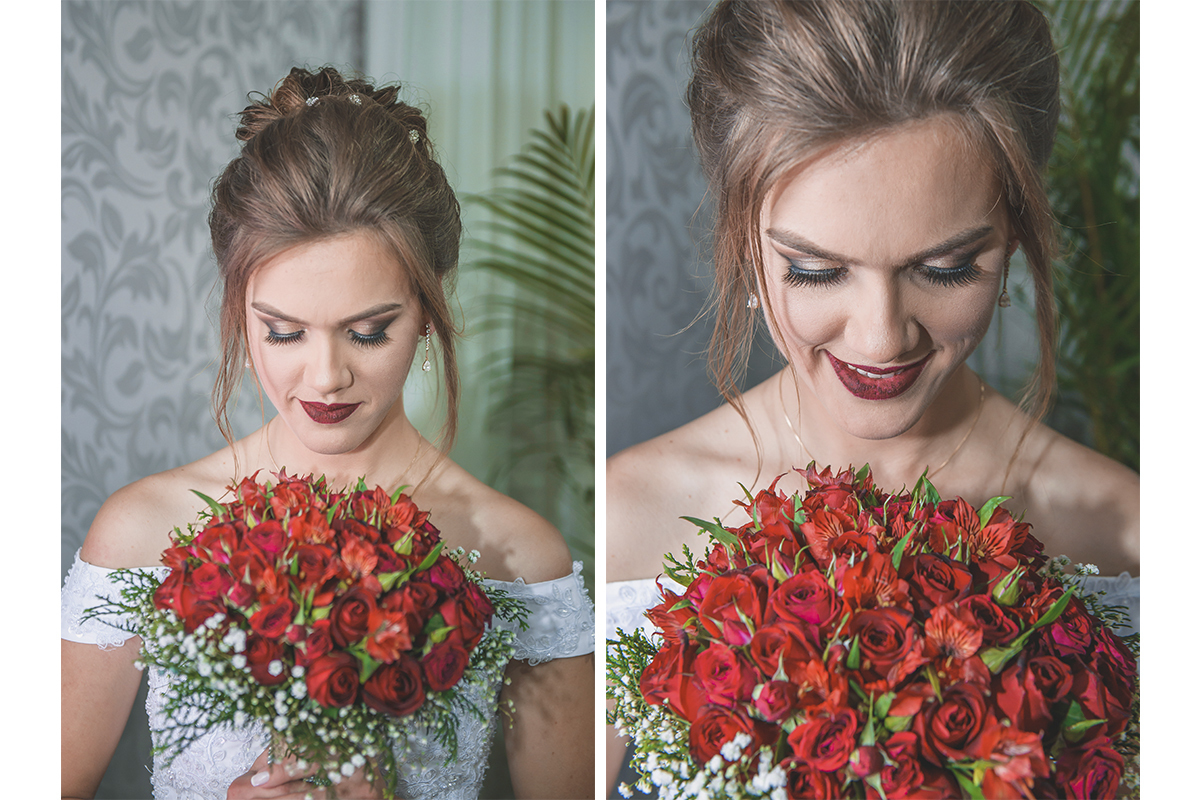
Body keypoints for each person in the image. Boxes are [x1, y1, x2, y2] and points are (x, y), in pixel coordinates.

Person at [605, 0, 1139, 793]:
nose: (882, 338)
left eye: (947, 269)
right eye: (816, 271)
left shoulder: (1131, 536)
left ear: (1015, 237)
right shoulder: (632, 515)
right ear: (743, 247)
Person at [61, 66, 594, 800]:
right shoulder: (141, 531)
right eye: (284, 332)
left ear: (429, 311)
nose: (325, 378)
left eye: (368, 332)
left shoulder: (519, 557)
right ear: (239, 312)